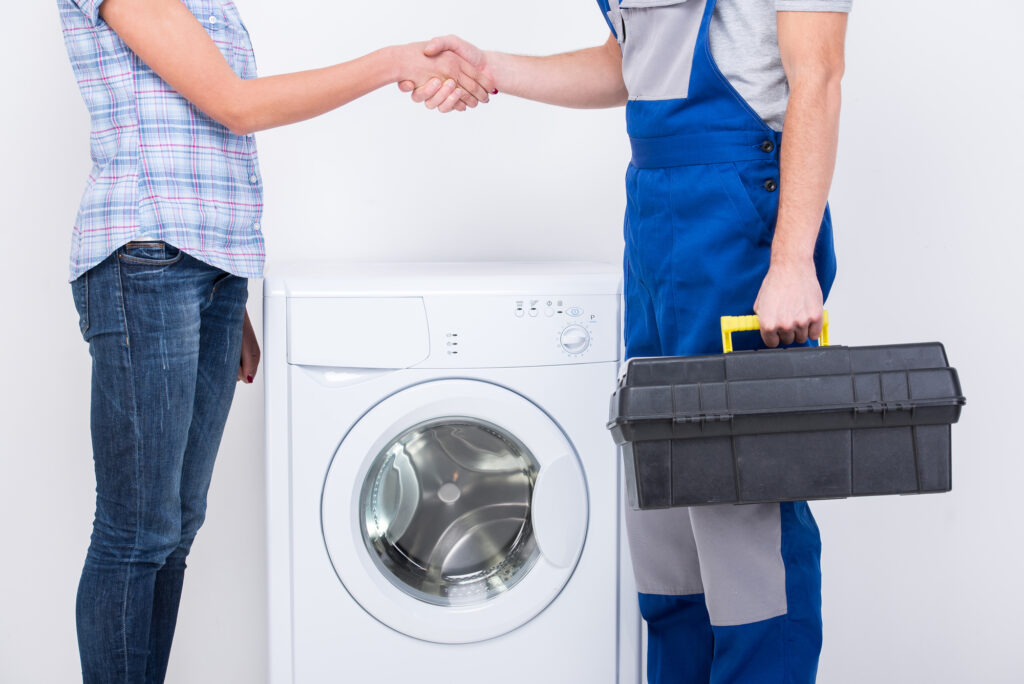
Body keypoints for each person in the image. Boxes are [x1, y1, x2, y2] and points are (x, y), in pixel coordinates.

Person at [404, 1, 849, 681]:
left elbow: (816, 73)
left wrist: (791, 263)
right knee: (663, 505)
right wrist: (494, 70)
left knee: (743, 510)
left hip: (740, 220)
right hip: (656, 217)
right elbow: (633, 64)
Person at [57, 1, 494, 681]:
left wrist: (229, 299)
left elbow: (196, 139)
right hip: (144, 258)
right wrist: (393, 62)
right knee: (137, 531)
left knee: (174, 527)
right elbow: (234, 105)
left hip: (206, 271)